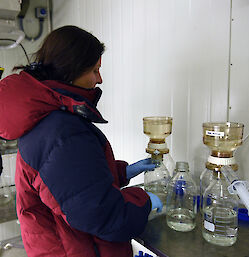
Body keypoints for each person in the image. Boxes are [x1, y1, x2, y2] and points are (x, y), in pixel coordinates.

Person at [0, 25, 163, 257]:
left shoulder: (47, 115)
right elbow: (104, 217)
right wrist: (143, 200)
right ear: (71, 70)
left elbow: (70, 183)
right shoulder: (61, 130)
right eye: (94, 70)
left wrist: (124, 172)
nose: (100, 79)